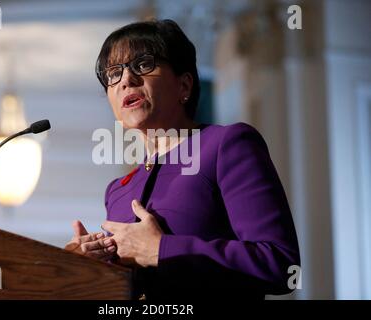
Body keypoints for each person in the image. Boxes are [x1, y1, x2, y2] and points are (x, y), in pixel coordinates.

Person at [65, 19, 300, 300]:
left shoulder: (226, 145)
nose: (126, 80)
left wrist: (161, 250)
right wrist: (84, 266)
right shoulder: (118, 190)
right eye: (113, 73)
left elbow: (281, 265)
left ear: (184, 84)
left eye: (142, 64)